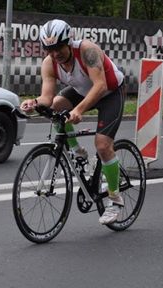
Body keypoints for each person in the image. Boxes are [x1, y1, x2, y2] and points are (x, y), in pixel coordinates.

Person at [20, 19, 125, 225]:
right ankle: (78, 153)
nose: (55, 53)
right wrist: (33, 102)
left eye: (59, 47)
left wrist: (78, 110)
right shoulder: (49, 63)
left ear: (69, 42)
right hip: (81, 90)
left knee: (103, 146)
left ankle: (115, 199)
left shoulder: (87, 50)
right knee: (54, 108)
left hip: (109, 92)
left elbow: (100, 86)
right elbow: (47, 98)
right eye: (49, 49)